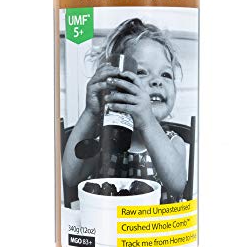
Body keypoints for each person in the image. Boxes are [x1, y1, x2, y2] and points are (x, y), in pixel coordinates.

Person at [62, 18, 187, 203]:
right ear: (117, 83)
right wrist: (91, 112)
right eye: (142, 72)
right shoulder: (104, 141)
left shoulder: (173, 142)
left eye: (166, 74)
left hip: (153, 222)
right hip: (108, 220)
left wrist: (147, 121)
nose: (157, 81)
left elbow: (177, 185)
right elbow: (70, 177)